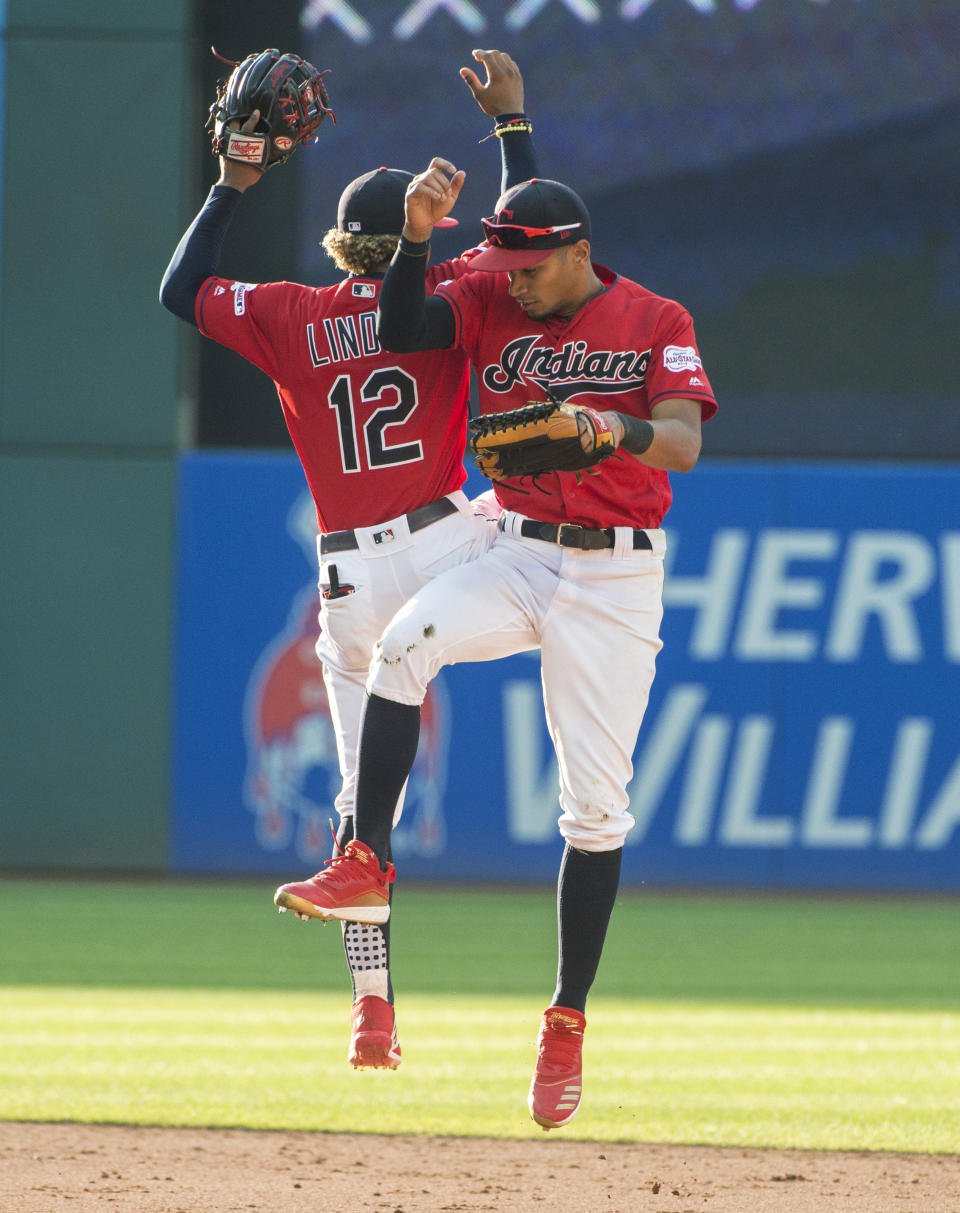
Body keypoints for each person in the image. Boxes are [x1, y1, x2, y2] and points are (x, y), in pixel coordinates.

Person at [274, 162, 718, 1128]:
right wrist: (425, 236)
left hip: (614, 575)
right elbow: (402, 328)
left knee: (595, 812)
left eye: (529, 265)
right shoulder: (486, 296)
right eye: (503, 261)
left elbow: (681, 441)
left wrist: (607, 427)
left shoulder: (655, 319)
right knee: (400, 645)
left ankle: (565, 1019)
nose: (511, 279)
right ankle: (367, 859)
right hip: (517, 545)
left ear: (578, 254)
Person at [160, 49, 537, 1073]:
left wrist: (234, 182)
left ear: (340, 244)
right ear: (407, 238)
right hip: (447, 542)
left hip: (348, 583)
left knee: (360, 810)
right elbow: (523, 243)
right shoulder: (447, 288)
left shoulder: (290, 312)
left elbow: (180, 288)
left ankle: (375, 1010)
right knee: (550, 518)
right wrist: (510, 130)